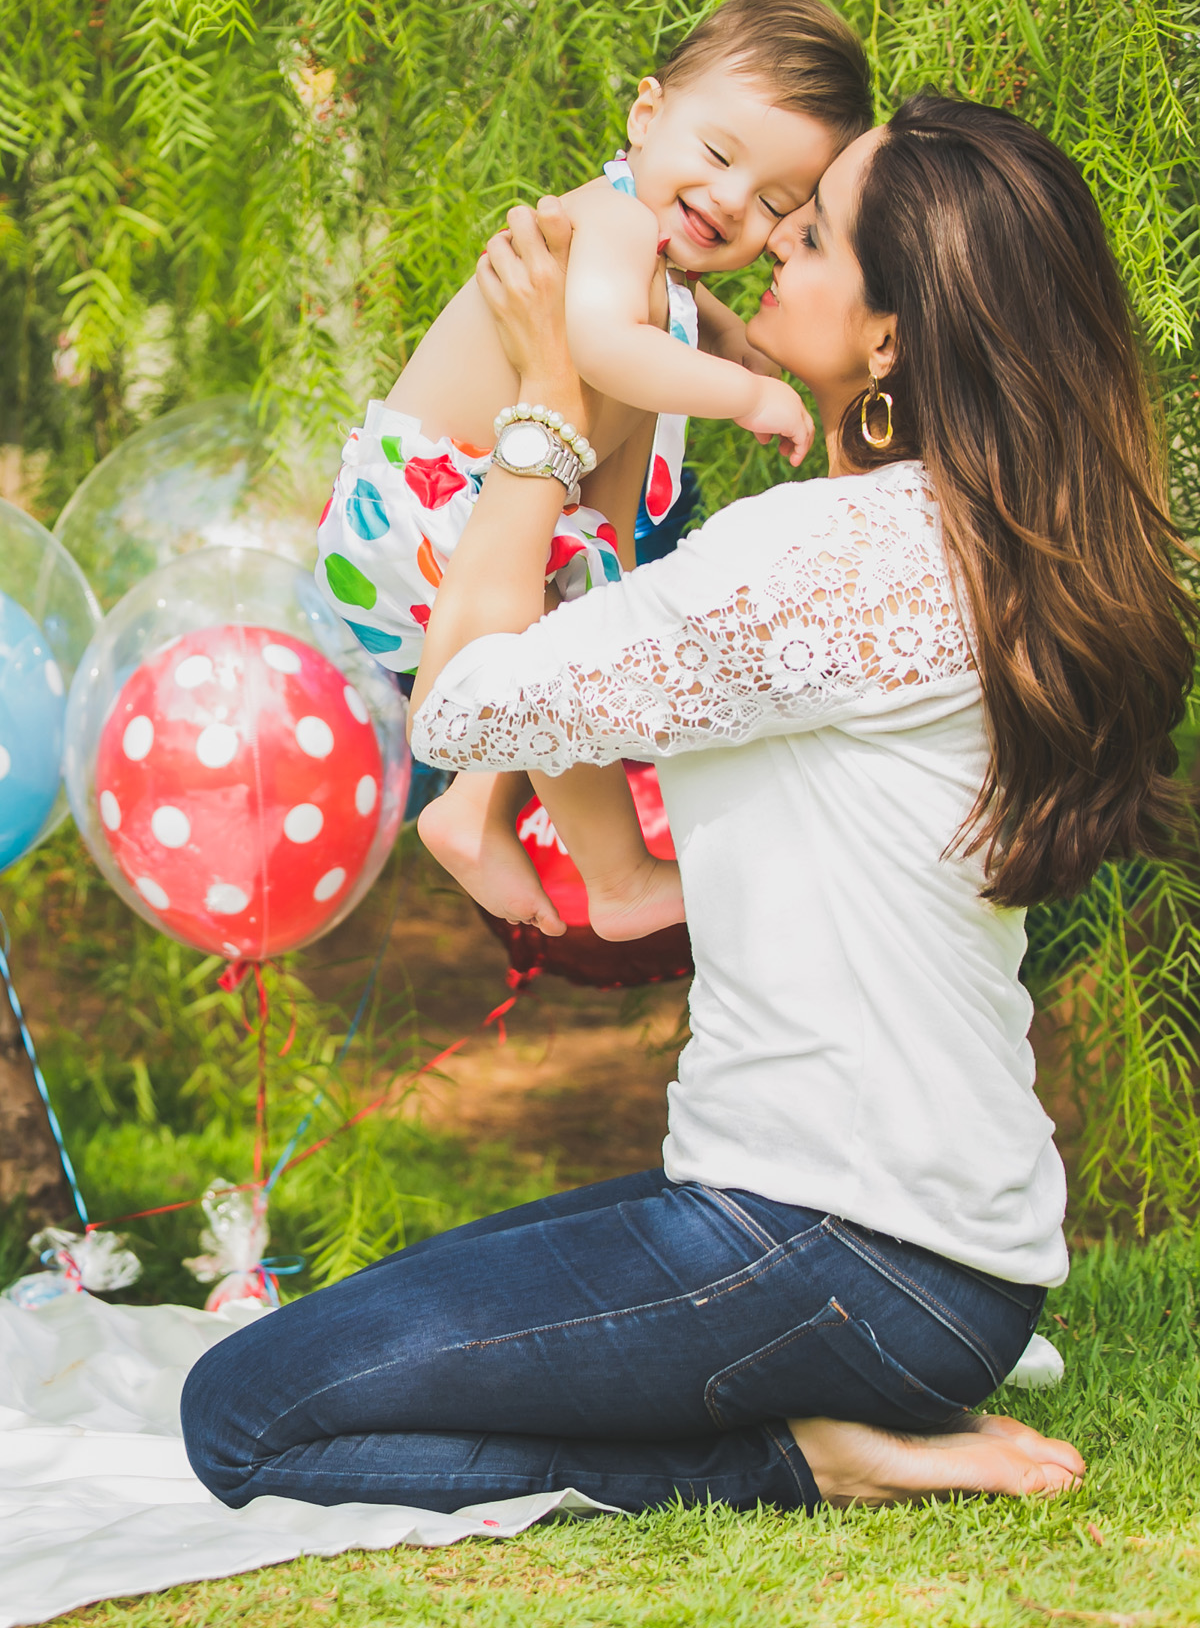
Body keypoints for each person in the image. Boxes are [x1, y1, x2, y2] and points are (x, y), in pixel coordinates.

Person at [182, 92, 1195, 1514]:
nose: (775, 240)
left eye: (819, 231)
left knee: (240, 1413)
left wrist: (541, 400)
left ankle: (794, 1462)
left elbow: (465, 701)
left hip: (834, 1252)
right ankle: (830, 1413)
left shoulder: (818, 556)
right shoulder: (970, 546)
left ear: (893, 336)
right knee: (383, 1319)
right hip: (943, 1260)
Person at [316, 0, 872, 945]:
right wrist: (749, 397)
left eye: (777, 203)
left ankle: (471, 807)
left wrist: (750, 352)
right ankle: (612, 875)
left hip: (468, 516)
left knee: (561, 646)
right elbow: (602, 344)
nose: (732, 201)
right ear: (647, 117)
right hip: (427, 506)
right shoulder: (611, 229)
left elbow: (694, 328)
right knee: (561, 639)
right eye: (718, 155)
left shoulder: (667, 273)